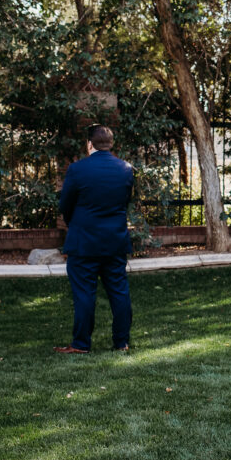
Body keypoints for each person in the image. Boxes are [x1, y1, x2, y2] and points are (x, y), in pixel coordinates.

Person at [55, 124, 135, 354]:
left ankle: (81, 344)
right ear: (111, 144)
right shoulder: (126, 169)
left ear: (89, 144)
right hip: (115, 240)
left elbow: (65, 205)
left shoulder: (77, 169)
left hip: (84, 241)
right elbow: (124, 203)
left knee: (84, 294)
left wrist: (75, 224)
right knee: (119, 292)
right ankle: (122, 342)